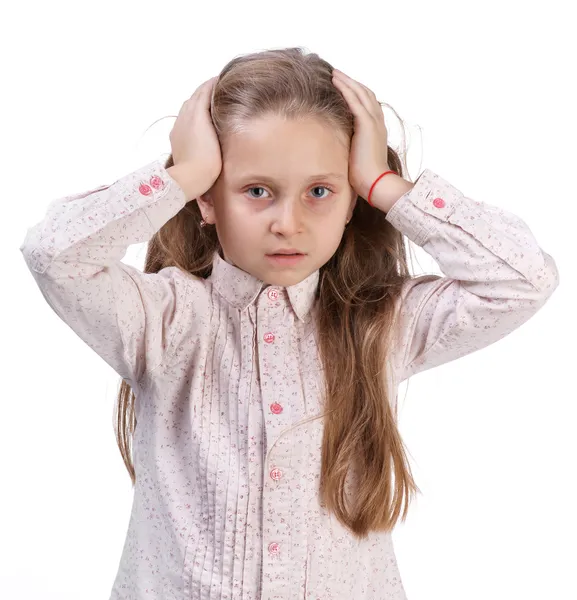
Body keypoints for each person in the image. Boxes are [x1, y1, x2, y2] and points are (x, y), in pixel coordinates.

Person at [19, 47, 559, 600]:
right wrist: (184, 175)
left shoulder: (381, 323)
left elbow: (522, 279)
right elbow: (53, 254)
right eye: (257, 191)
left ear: (350, 201)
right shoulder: (162, 320)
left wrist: (385, 185)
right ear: (209, 199)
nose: (288, 223)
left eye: (320, 192)